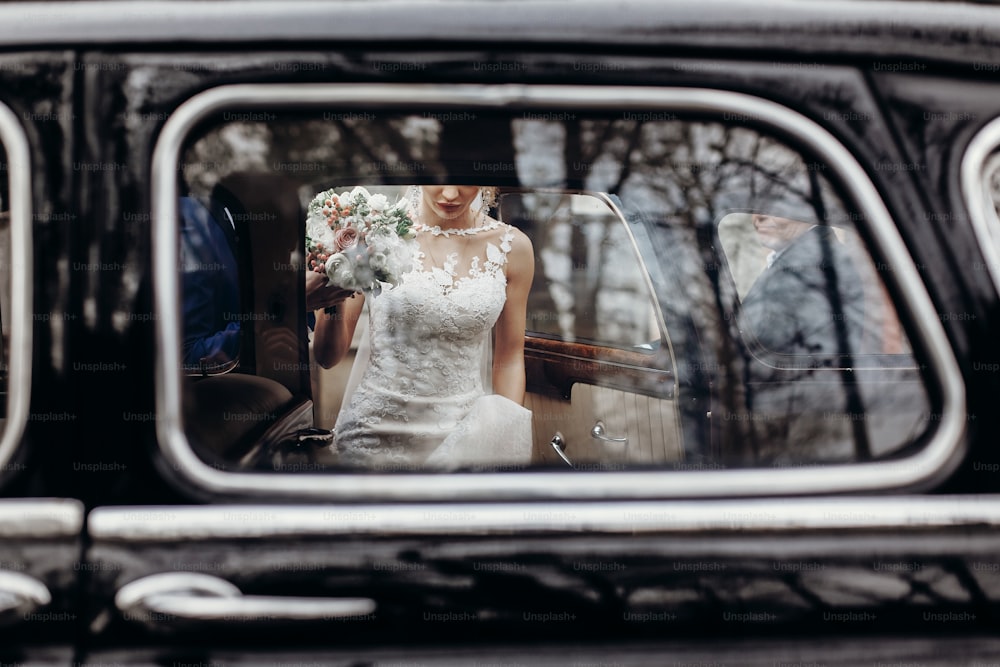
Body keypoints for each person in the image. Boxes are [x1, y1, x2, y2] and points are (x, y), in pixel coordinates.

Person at [311, 185, 535, 471]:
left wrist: (503, 440)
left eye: (464, 180)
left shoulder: (513, 247)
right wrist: (336, 282)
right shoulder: (372, 233)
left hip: (464, 439)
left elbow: (510, 359)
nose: (451, 194)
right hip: (372, 436)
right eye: (439, 178)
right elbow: (326, 357)